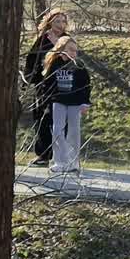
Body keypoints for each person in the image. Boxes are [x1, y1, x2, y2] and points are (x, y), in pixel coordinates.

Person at [39, 35, 92, 176]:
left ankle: (73, 163)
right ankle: (60, 162)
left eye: (75, 50)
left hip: (75, 103)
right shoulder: (54, 64)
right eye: (70, 50)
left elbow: (86, 85)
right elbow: (47, 84)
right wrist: (46, 103)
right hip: (59, 102)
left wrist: (86, 102)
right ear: (61, 49)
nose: (74, 53)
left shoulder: (79, 65)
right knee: (57, 131)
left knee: (74, 132)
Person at [24, 9, 70, 167]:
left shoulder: (67, 40)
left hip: (62, 86)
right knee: (41, 119)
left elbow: (73, 60)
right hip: (43, 86)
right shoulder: (42, 40)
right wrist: (29, 79)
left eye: (63, 21)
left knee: (60, 121)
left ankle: (61, 156)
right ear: (50, 22)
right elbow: (31, 59)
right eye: (57, 21)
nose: (61, 24)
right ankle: (43, 155)